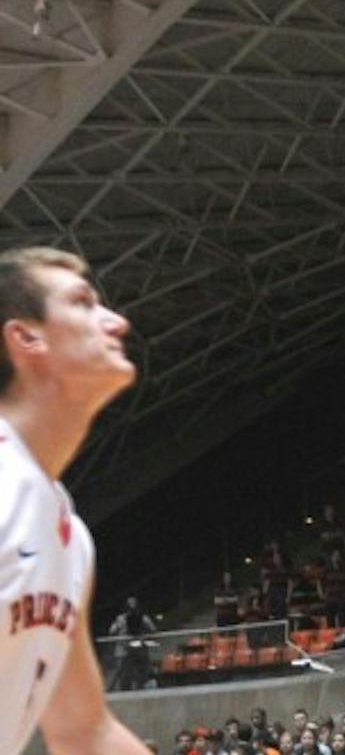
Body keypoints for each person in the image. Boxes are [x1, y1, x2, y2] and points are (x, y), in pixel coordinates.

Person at [0, 246, 152, 754]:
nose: (117, 322)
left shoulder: (66, 533)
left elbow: (85, 731)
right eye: (84, 303)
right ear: (26, 336)